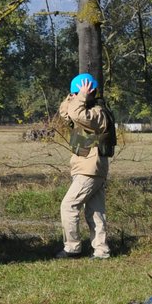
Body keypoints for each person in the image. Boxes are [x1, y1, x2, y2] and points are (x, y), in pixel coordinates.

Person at [57, 73, 117, 259]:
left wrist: (81, 96)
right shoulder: (84, 109)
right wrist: (74, 96)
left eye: (78, 93)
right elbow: (65, 113)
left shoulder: (98, 113)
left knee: (68, 205)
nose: (75, 96)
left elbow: (76, 113)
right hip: (88, 168)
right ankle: (101, 251)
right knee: (95, 211)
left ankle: (72, 248)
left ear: (88, 92)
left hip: (90, 169)